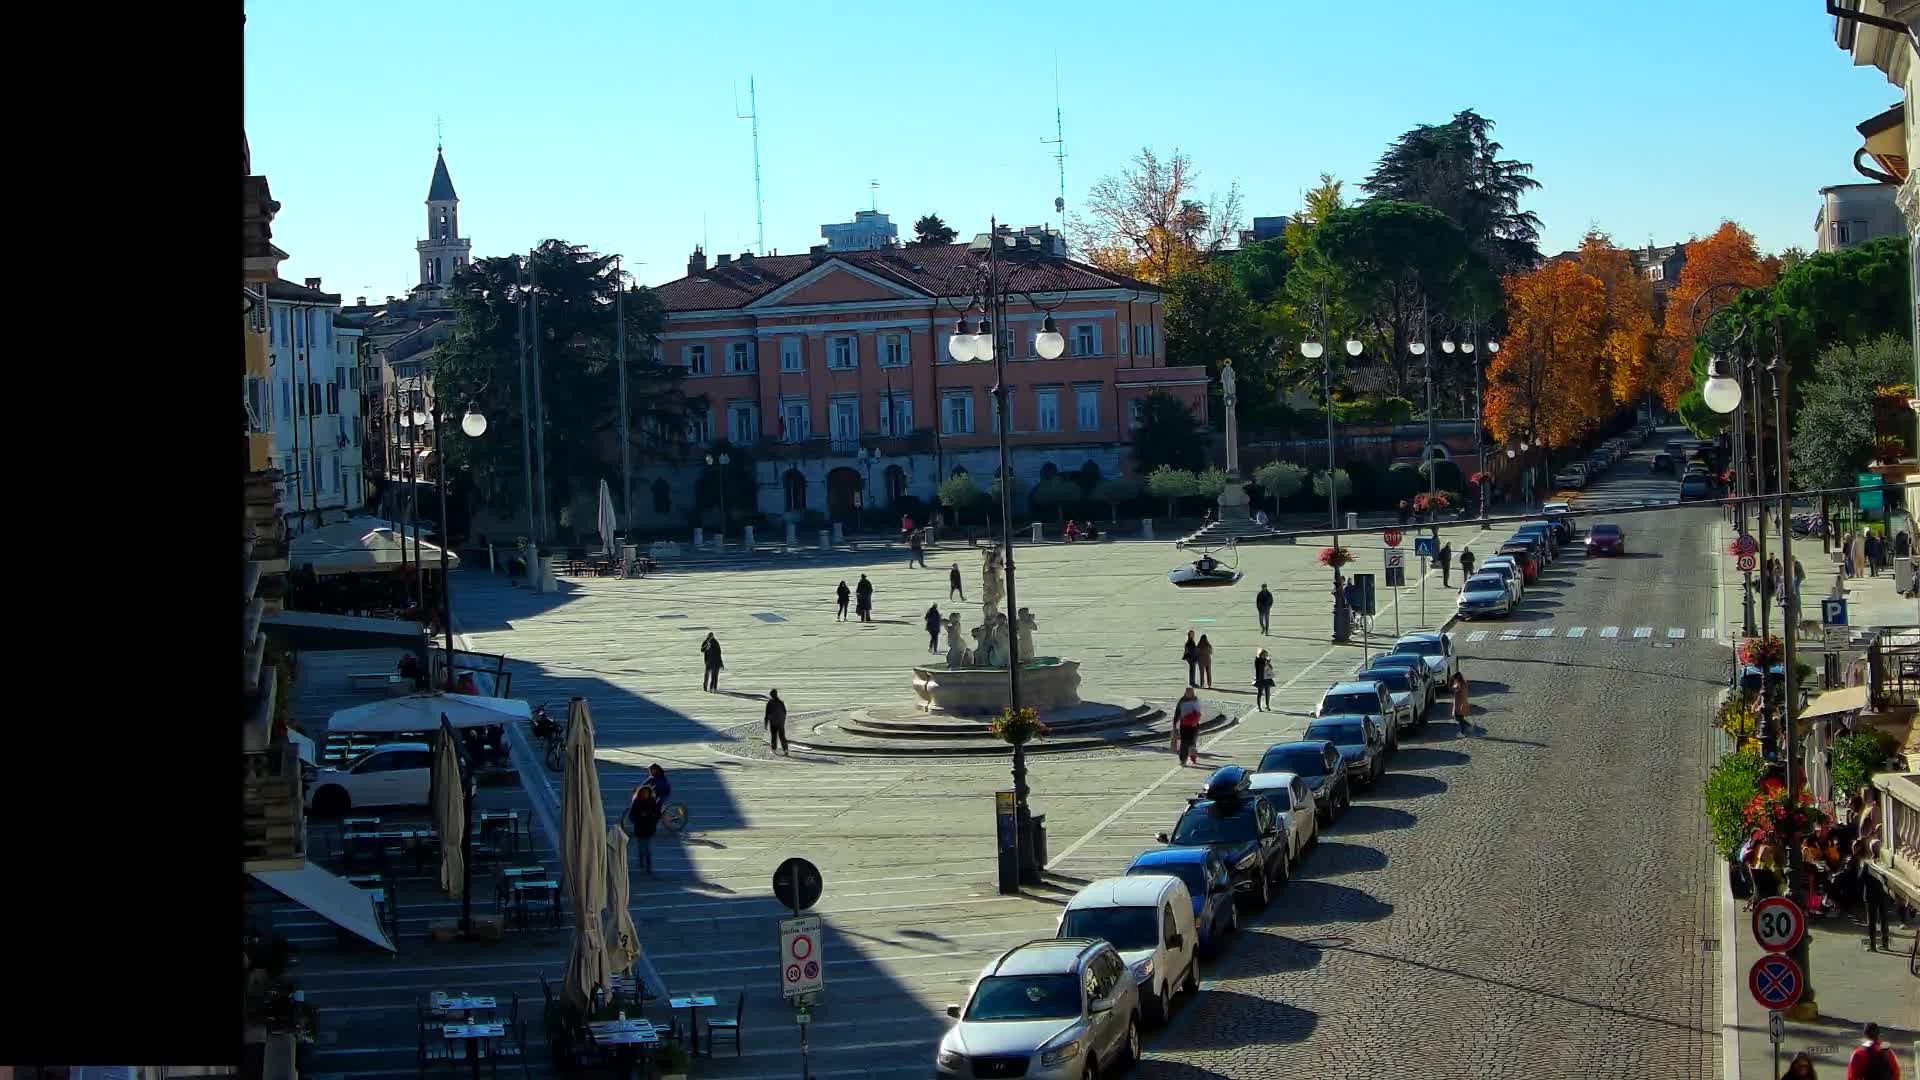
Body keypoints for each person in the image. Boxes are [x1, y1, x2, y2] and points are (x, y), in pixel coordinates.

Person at [1857, 841, 1892, 952]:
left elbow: (1860, 878)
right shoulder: (1885, 862)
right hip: (1883, 894)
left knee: (1871, 921)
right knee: (1884, 919)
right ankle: (1885, 944)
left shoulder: (1867, 863)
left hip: (1870, 895)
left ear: (1871, 849)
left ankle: (1872, 945)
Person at [627, 786, 660, 874]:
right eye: (643, 792)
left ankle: (649, 867)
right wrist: (638, 817)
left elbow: (657, 814)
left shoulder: (652, 802)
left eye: (646, 792)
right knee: (641, 846)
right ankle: (641, 860)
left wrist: (652, 816)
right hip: (639, 827)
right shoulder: (636, 802)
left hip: (649, 827)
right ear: (640, 793)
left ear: (649, 793)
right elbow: (631, 816)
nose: (645, 794)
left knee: (647, 848)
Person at [1172, 687, 1203, 766]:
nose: (1190, 694)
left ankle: (1193, 756)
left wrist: (1196, 720)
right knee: (1184, 743)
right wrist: (1175, 725)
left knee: (1192, 743)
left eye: (1191, 692)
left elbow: (1198, 712)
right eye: (1188, 692)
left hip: (1194, 725)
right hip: (1184, 725)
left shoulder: (1196, 700)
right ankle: (1183, 759)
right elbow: (1177, 714)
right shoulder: (1182, 701)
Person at [764, 689, 789, 755]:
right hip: (780, 723)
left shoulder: (770, 703)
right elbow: (785, 712)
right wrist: (782, 721)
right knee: (782, 736)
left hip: (773, 722)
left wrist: (766, 723)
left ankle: (774, 749)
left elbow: (766, 714)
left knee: (774, 736)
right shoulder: (781, 702)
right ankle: (785, 749)